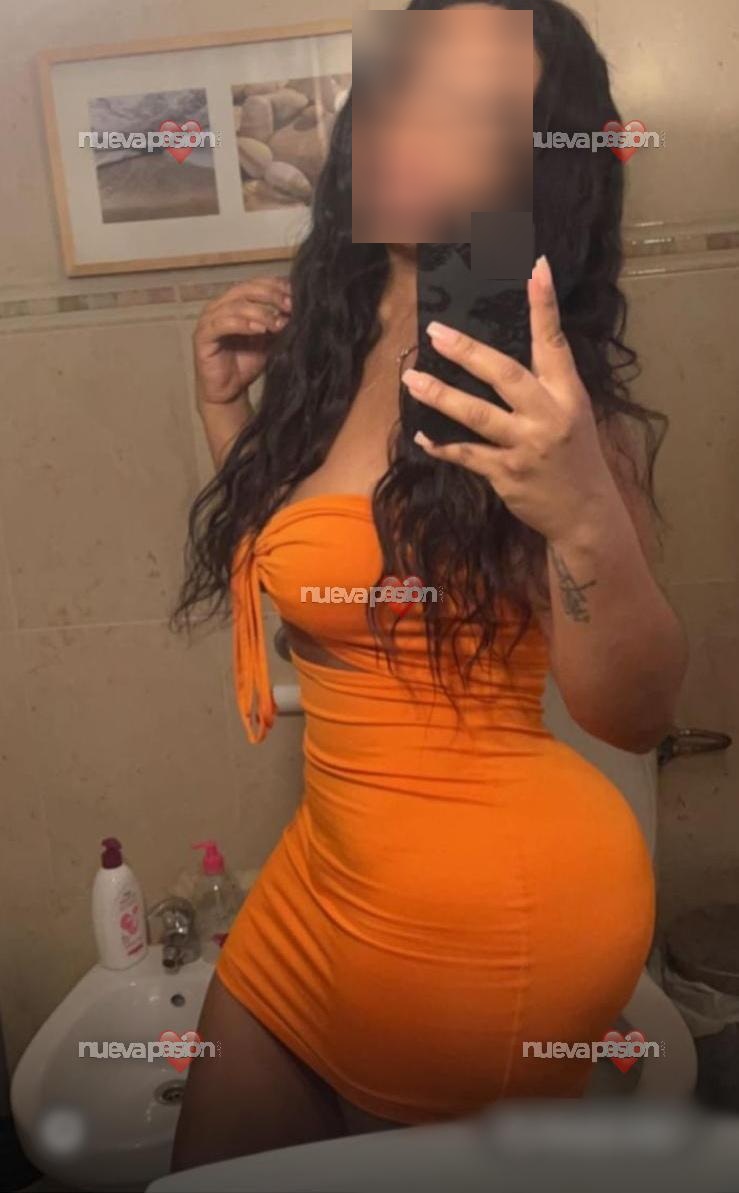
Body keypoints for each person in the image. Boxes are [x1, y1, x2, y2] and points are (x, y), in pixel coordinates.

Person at [169, 0, 687, 1171]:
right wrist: (227, 415)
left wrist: (583, 513)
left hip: (483, 912)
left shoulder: (537, 385)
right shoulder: (336, 337)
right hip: (321, 870)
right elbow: (317, 579)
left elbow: (634, 711)